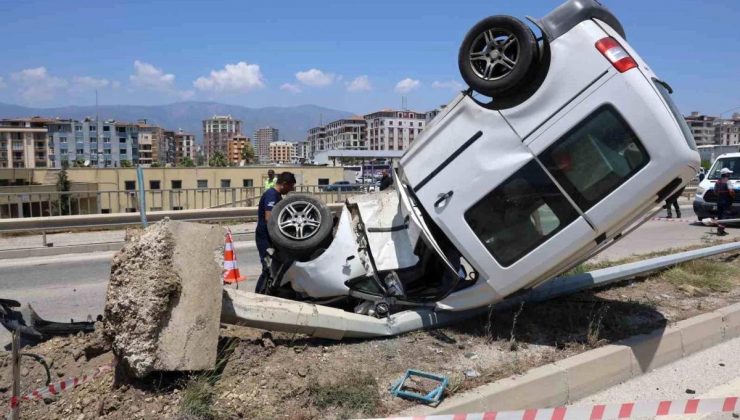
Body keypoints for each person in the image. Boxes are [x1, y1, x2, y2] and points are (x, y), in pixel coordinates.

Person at [255, 171, 296, 293]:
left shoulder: (277, 196)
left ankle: (270, 292)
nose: (291, 189)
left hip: (271, 236)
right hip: (265, 237)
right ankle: (258, 295)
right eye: (291, 186)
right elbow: (269, 217)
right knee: (267, 267)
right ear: (284, 184)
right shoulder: (271, 195)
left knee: (276, 267)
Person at [714, 167, 735, 236]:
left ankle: (720, 230)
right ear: (726, 174)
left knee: (720, 216)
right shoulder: (728, 181)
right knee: (725, 216)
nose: (729, 175)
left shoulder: (717, 182)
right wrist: (733, 196)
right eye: (728, 174)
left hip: (719, 201)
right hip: (726, 202)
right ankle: (720, 231)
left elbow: (715, 192)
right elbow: (731, 191)